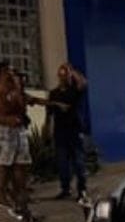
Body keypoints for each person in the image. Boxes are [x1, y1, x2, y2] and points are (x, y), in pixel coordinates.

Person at [32, 63, 89, 200]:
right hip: (60, 132)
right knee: (63, 163)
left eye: (66, 75)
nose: (63, 78)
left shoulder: (75, 90)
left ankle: (82, 190)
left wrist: (72, 70)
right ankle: (65, 189)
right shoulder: (54, 93)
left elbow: (83, 83)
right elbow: (49, 114)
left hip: (75, 130)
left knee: (78, 162)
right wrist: (47, 129)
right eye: (61, 75)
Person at [0, 62, 32, 210]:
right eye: (9, 71)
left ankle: (20, 192)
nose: (12, 74)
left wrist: (19, 89)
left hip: (19, 130)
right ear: (2, 73)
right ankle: (2, 195)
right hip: (6, 131)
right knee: (4, 164)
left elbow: (24, 105)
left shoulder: (15, 89)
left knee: (21, 163)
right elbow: (2, 112)